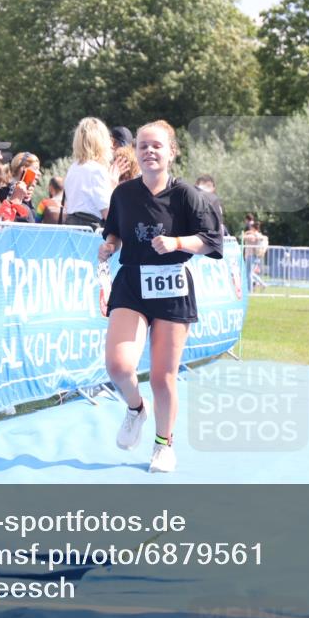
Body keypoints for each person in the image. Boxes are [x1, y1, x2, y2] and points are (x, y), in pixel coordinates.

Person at [98, 120, 223, 473]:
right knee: (119, 366)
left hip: (172, 288)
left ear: (171, 151)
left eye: (157, 146)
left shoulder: (188, 196)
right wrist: (108, 246)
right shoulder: (123, 194)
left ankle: (163, 444)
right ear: (135, 151)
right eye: (143, 146)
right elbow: (116, 235)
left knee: (161, 376)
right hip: (133, 284)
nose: (149, 151)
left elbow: (211, 241)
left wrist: (178, 243)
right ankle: (137, 408)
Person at [64, 117, 126, 228]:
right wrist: (113, 187)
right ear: (102, 141)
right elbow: (109, 213)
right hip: (90, 230)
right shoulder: (97, 170)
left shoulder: (73, 168)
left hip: (71, 227)